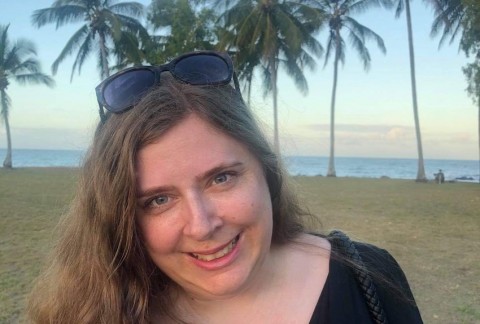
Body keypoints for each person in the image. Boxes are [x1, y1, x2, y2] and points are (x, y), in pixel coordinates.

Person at [28, 51, 423, 323]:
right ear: (122, 219)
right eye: (158, 200)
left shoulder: (368, 277)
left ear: (266, 172)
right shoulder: (103, 313)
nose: (201, 225)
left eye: (221, 178)